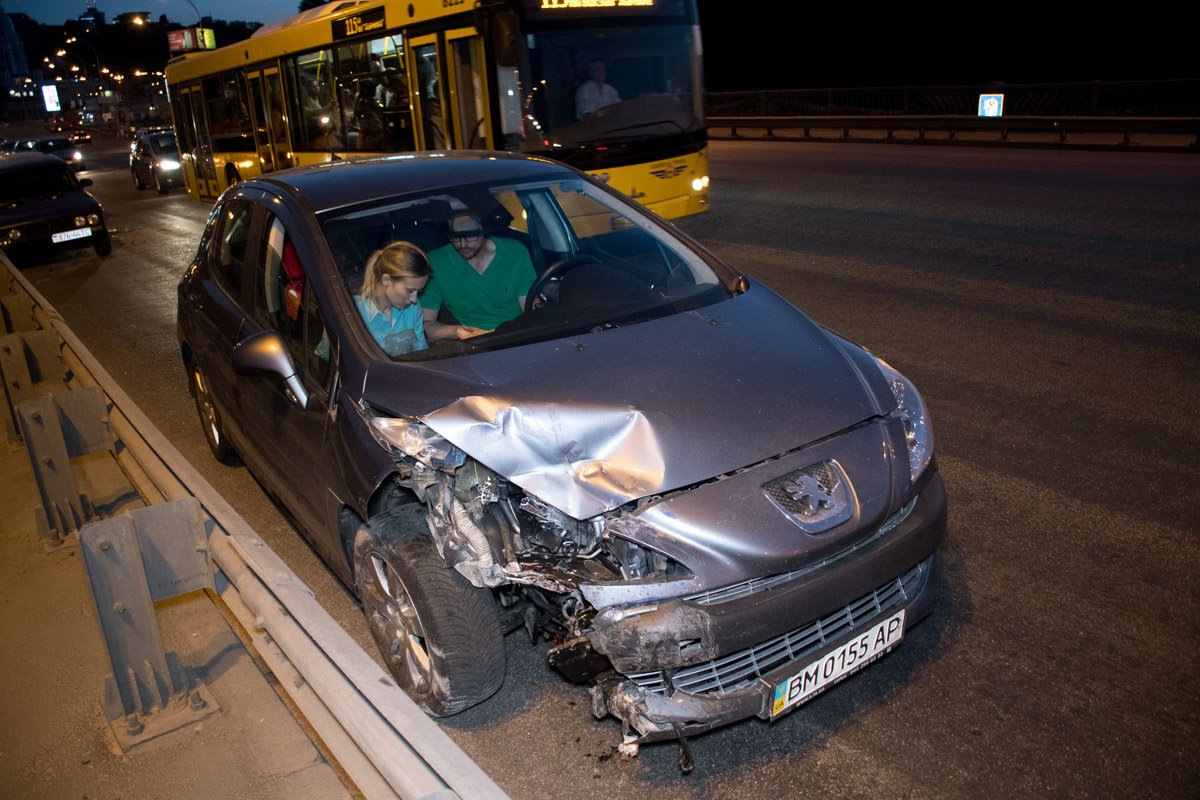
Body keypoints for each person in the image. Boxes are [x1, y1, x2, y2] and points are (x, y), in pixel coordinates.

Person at [421, 211, 535, 340]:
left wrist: (502, 333)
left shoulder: (515, 252)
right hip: (474, 342)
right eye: (456, 237)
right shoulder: (436, 262)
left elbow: (530, 313)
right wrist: (458, 331)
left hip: (517, 335)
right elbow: (425, 325)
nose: (463, 244)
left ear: (483, 231)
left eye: (469, 236)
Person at [355, 241, 430, 356]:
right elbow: (328, 357)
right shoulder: (353, 311)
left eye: (418, 292)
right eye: (410, 291)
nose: (414, 299)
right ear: (386, 280)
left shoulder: (413, 309)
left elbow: (421, 353)